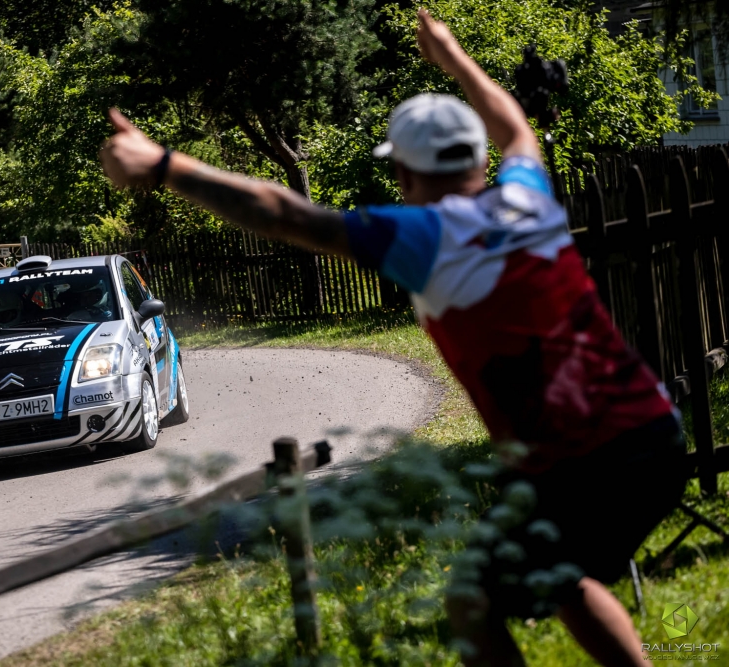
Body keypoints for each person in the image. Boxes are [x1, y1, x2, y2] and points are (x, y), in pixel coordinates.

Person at [99, 8, 686, 666]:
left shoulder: (423, 238)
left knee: (472, 597)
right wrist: (453, 56)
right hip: (654, 436)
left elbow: (283, 211)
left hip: (583, 461)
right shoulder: (528, 196)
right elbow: (517, 128)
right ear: (475, 159)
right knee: (566, 574)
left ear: (405, 176)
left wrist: (164, 165)